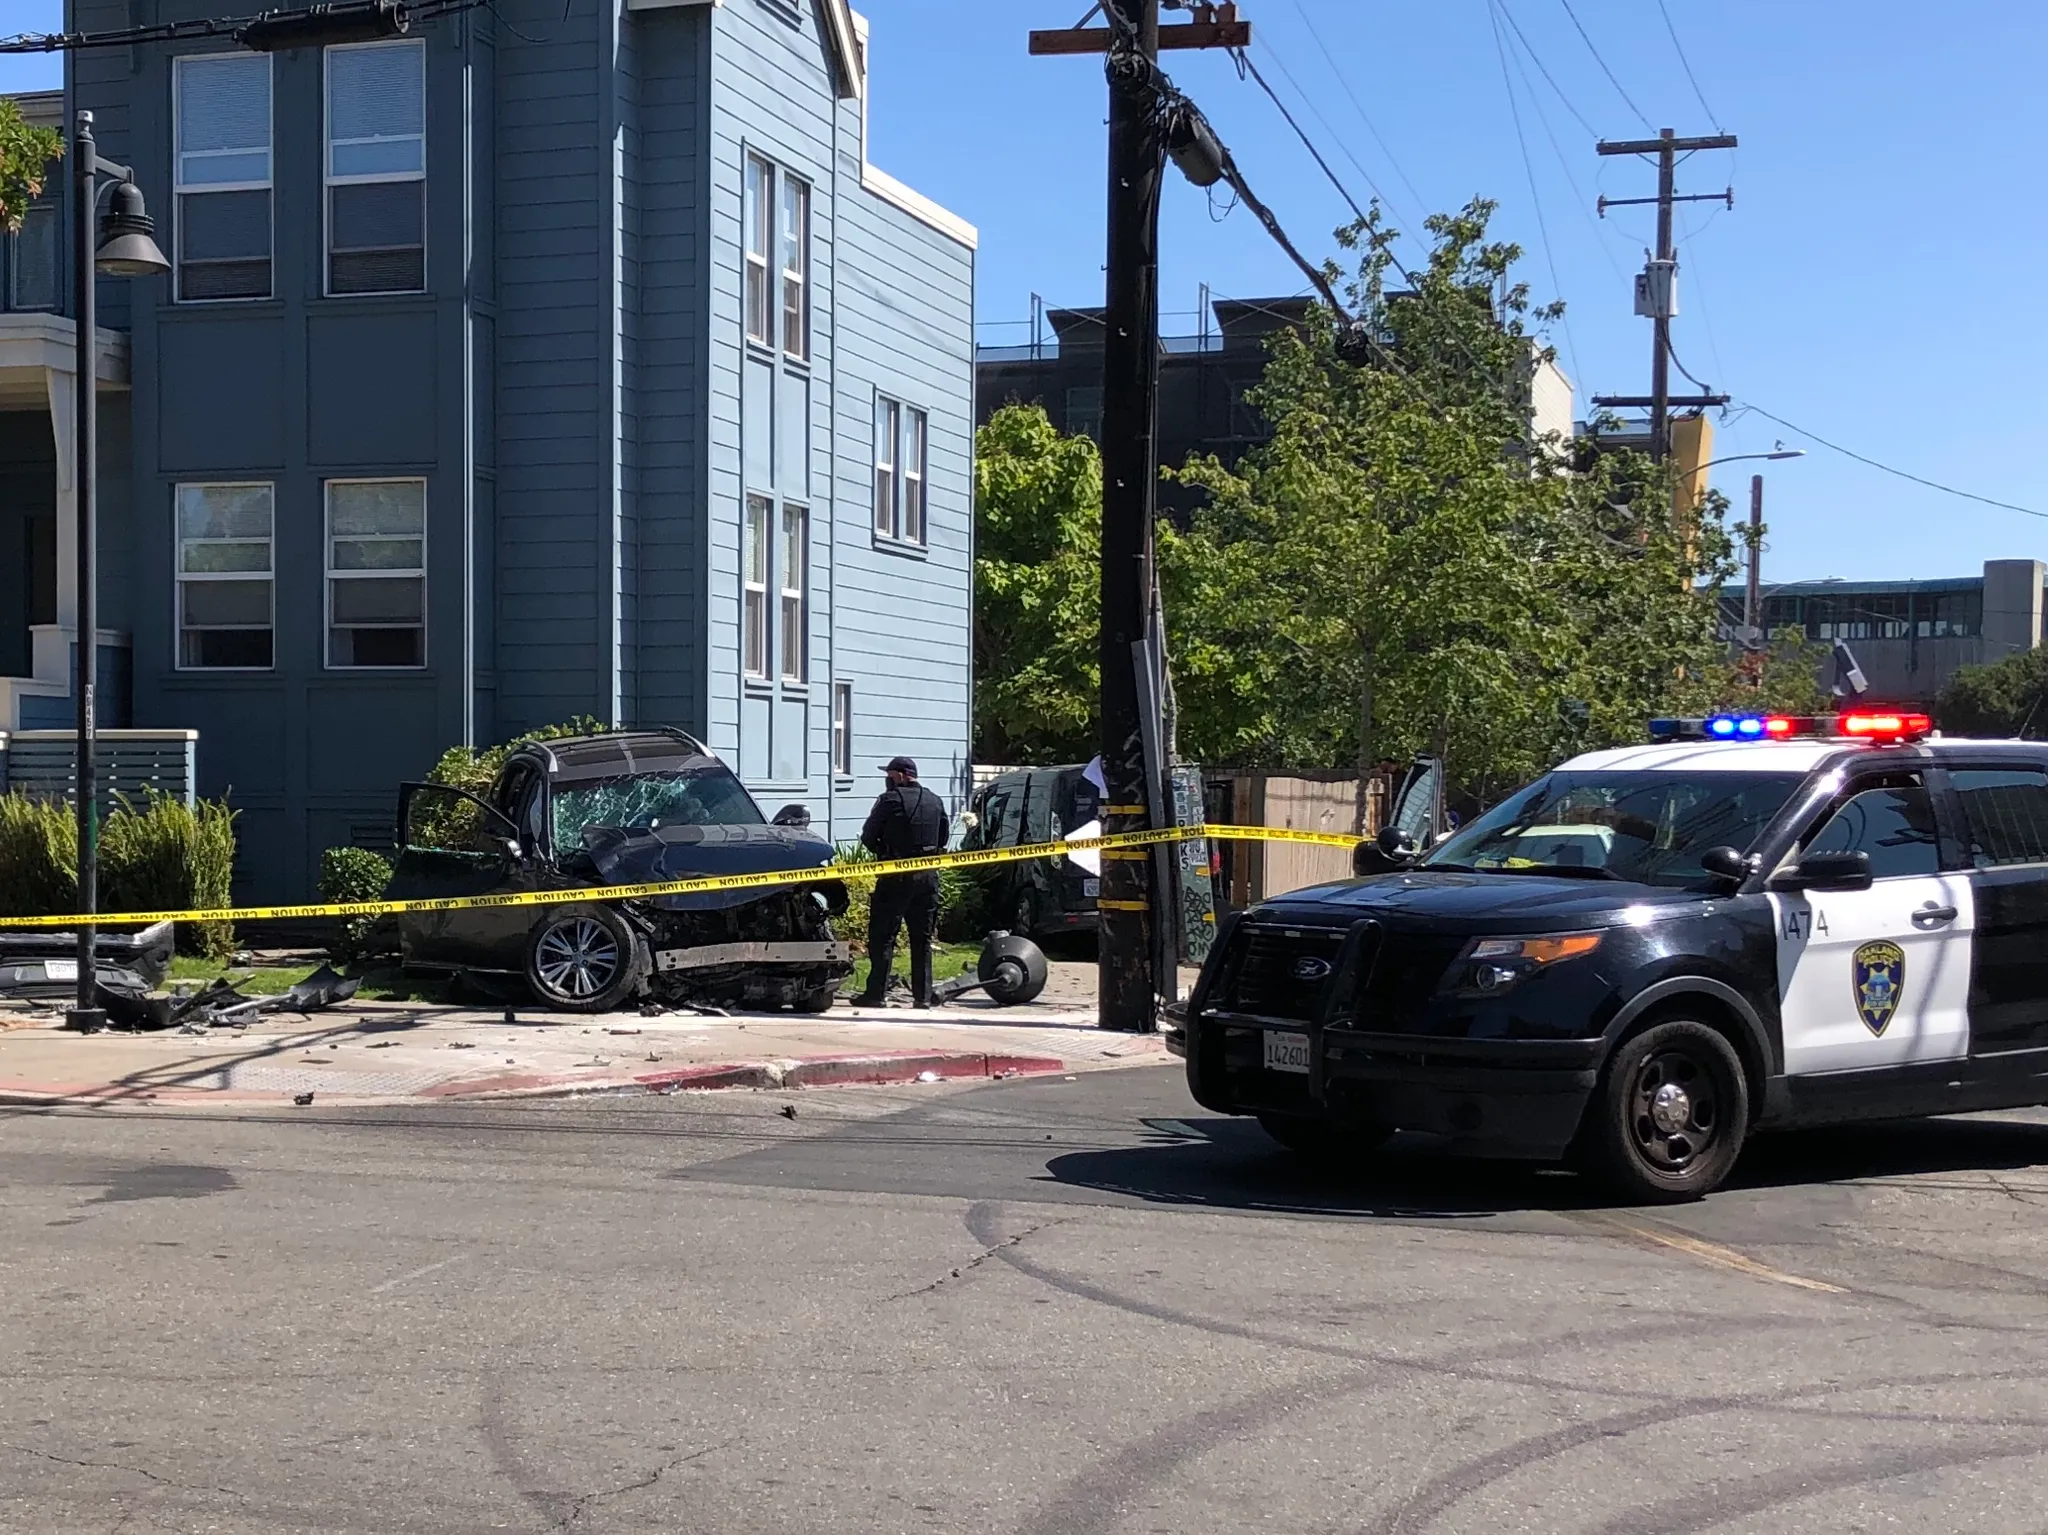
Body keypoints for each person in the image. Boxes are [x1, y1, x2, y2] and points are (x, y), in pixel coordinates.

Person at [854, 756, 950, 1008]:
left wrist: (885, 853)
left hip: (895, 875)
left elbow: (868, 836)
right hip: (928, 875)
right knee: (922, 938)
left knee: (883, 936)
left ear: (899, 775)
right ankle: (923, 997)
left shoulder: (889, 800)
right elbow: (943, 838)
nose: (887, 779)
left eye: (889, 774)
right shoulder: (935, 800)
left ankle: (876, 994)